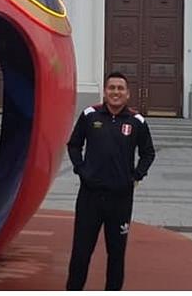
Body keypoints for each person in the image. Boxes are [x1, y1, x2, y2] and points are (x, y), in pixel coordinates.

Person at [65, 72, 156, 291]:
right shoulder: (89, 115)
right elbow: (73, 145)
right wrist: (81, 169)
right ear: (105, 92)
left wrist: (136, 176)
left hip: (120, 200)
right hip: (90, 198)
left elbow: (148, 153)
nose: (116, 92)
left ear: (127, 94)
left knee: (116, 254)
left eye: (120, 88)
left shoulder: (137, 122)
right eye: (111, 88)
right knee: (81, 252)